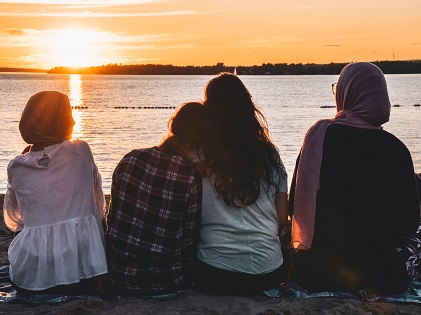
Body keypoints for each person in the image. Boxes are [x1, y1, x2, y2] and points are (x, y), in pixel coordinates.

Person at [288, 62, 420, 295]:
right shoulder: (395, 150)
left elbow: (292, 208)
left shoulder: (317, 140)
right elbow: (408, 223)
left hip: (315, 273)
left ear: (346, 93)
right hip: (379, 275)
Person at [192, 73, 289, 296]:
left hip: (214, 273)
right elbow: (282, 219)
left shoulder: (198, 157)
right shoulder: (270, 157)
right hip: (268, 272)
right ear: (248, 107)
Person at [3, 91, 107, 294]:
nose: (74, 122)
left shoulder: (15, 166)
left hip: (33, 269)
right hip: (83, 266)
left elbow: (16, 218)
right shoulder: (80, 151)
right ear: (57, 121)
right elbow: (97, 205)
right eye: (69, 115)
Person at [106, 102, 203, 297]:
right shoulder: (190, 175)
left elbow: (113, 217)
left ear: (173, 125)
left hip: (119, 276)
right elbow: (188, 241)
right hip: (165, 281)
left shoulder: (130, 159)